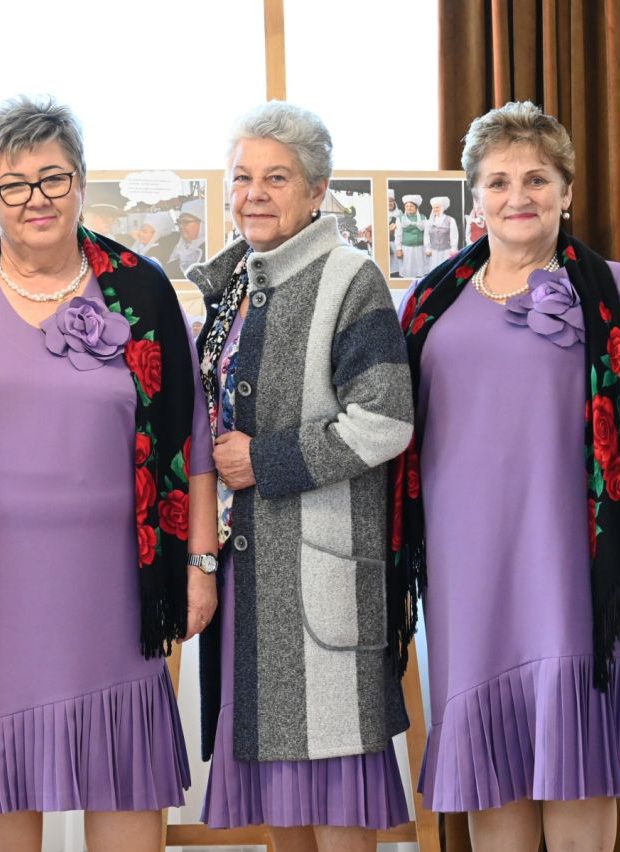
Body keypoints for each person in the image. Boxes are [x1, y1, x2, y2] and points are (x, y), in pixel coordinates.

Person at [0, 95, 217, 852]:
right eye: (12, 184)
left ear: (81, 180)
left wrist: (200, 565)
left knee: (124, 784)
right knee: (1, 790)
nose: (34, 199)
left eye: (53, 178)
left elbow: (191, 440)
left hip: (114, 586)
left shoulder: (140, 287)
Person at [394, 101, 620, 852]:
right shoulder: (427, 303)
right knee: (494, 775)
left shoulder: (615, 291)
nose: (519, 196)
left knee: (577, 770)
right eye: (499, 181)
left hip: (572, 573)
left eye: (537, 179)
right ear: (474, 197)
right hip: (465, 582)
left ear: (567, 192)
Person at [186, 101, 413, 852]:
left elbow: (385, 420)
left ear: (317, 191)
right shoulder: (235, 285)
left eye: (276, 178)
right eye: (241, 176)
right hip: (251, 582)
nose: (253, 192)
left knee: (337, 797)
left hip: (320, 577)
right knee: (281, 801)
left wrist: (266, 460)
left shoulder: (352, 278)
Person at [131, 211, 181, 277]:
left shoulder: (155, 256)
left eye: (144, 231)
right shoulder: (141, 247)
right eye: (141, 230)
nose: (140, 233)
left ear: (155, 235)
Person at [169, 198, 206, 275]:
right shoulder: (174, 247)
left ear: (202, 223)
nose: (180, 226)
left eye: (186, 222)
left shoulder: (207, 249)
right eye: (179, 222)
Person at [395, 193, 428, 278]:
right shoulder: (400, 218)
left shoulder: (423, 218)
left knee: (419, 268)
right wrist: (399, 249)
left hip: (420, 248)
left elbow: (427, 234)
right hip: (406, 248)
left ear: (416, 208)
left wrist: (427, 247)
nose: (409, 208)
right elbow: (398, 235)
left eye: (411, 206)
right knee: (408, 267)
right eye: (407, 206)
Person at [423, 195, 459, 271]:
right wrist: (427, 248)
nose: (435, 209)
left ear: (442, 208)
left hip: (446, 251)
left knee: (445, 269)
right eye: (433, 207)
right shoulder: (429, 222)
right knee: (434, 269)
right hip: (434, 252)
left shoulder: (450, 220)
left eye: (437, 207)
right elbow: (426, 235)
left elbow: (454, 236)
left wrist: (453, 249)